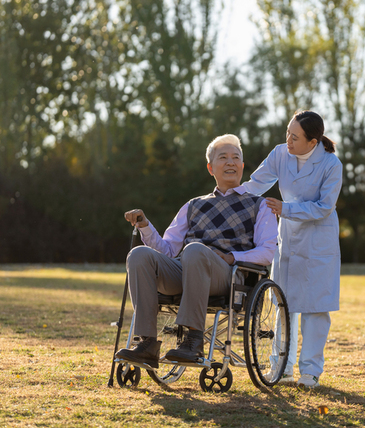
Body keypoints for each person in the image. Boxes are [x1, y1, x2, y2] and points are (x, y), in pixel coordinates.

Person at [116, 134, 277, 368]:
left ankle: (193, 339)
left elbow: (267, 252)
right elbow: (167, 250)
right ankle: (147, 343)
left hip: (228, 276)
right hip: (185, 270)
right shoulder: (193, 205)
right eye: (223, 158)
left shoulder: (259, 205)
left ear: (242, 166)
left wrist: (233, 257)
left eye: (236, 158)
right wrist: (144, 225)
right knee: (139, 255)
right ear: (211, 168)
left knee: (194, 251)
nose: (230, 162)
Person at [242, 110, 342, 388]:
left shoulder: (331, 164)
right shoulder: (280, 153)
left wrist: (285, 209)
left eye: (295, 137)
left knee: (315, 308)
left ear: (313, 142)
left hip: (319, 240)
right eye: (287, 132)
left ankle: (310, 372)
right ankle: (281, 367)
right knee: (283, 304)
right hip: (288, 239)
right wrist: (229, 198)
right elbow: (255, 185)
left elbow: (324, 207)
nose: (288, 140)